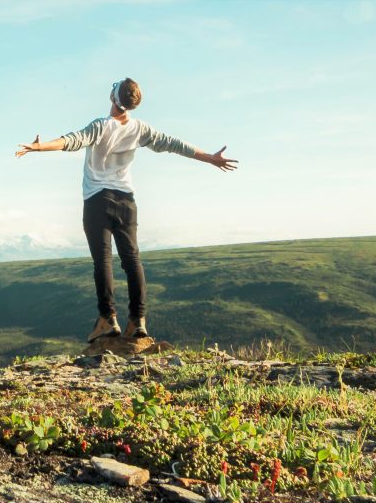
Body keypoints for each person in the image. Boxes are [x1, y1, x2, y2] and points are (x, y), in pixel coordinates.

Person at [16, 78, 238, 342]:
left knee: (103, 261)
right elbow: (175, 144)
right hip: (126, 201)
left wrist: (40, 147)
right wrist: (210, 158)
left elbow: (72, 141)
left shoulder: (101, 126)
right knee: (132, 260)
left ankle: (108, 320)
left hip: (98, 200)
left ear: (113, 97)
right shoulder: (140, 129)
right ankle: (138, 321)